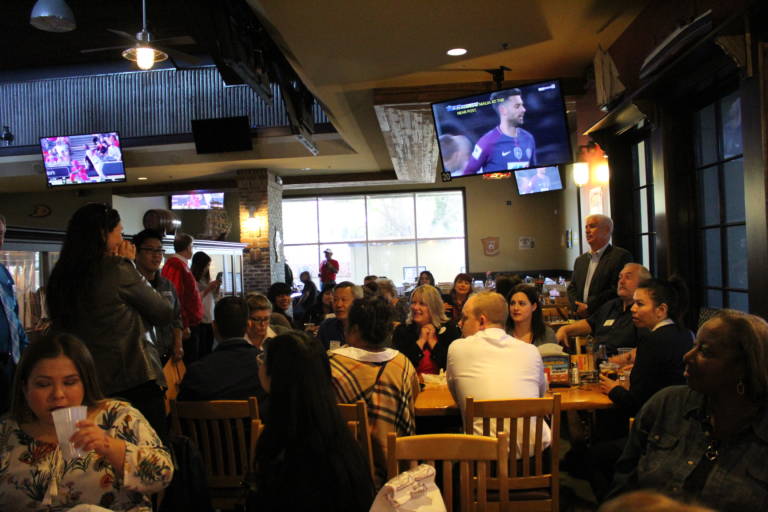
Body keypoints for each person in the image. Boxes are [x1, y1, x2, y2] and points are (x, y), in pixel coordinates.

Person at [609, 311, 768, 512]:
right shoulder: (666, 404)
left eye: (705, 351)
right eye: (694, 346)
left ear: (744, 368)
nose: (687, 356)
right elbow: (623, 487)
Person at [0, 332, 173, 511]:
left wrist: (110, 447)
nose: (58, 395)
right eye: (43, 385)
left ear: (85, 382)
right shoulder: (7, 431)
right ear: (24, 388)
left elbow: (163, 476)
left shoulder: (117, 417)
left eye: (70, 383)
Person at [46, 203, 174, 439]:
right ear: (103, 234)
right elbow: (164, 312)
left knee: (91, 458)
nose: (123, 239)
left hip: (83, 383)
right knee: (146, 457)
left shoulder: (60, 275)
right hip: (133, 380)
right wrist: (129, 266)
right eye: (119, 232)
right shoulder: (118, 269)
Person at [249, 331, 374, 511]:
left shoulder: (286, 450)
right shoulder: (339, 435)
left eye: (263, 359)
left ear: (277, 376)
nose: (260, 364)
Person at [329, 297, 420, 486]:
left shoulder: (329, 365)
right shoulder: (403, 364)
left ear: (353, 329)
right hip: (395, 470)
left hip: (344, 472)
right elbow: (414, 399)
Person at [446, 291, 550, 452]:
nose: (460, 323)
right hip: (535, 460)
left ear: (482, 321)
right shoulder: (531, 351)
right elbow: (540, 397)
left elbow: (457, 397)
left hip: (483, 462)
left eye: (465, 318)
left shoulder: (457, 348)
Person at [178, 297, 268, 414]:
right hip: (254, 431)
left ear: (214, 326)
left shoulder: (197, 371)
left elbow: (182, 415)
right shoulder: (264, 366)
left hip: (208, 432)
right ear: (248, 325)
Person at [556, 263, 651, 355]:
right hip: (598, 364)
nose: (621, 281)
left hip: (623, 367)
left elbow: (645, 350)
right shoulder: (610, 306)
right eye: (620, 277)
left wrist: (612, 362)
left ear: (643, 284)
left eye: (628, 277)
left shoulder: (644, 312)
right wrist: (565, 329)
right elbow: (589, 323)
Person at [132, 228, 184, 366]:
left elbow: (176, 317)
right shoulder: (130, 286)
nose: (156, 256)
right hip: (140, 359)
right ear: (136, 253)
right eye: (150, 250)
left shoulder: (167, 285)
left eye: (159, 250)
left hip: (167, 354)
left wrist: (178, 344)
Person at [567, 214, 633, 318]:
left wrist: (589, 307)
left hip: (607, 316)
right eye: (586, 227)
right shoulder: (580, 260)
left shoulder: (620, 257)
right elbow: (572, 288)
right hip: (581, 317)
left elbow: (616, 289)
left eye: (592, 226)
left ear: (607, 230)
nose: (587, 231)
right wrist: (577, 307)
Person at [462, 88, 537, 175]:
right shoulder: (486, 142)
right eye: (517, 106)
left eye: (522, 105)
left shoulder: (528, 138)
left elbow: (533, 171)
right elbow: (468, 173)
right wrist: (501, 179)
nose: (523, 109)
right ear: (503, 110)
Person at [393, 284, 461, 374]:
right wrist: (421, 341)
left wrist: (432, 342)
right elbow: (400, 366)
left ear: (434, 307)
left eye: (422, 304)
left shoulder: (449, 329)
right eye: (413, 302)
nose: (415, 307)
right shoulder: (402, 330)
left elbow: (453, 365)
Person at [0, 214, 30, 416]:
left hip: (12, 367)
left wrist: (27, 352)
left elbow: (14, 318)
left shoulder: (3, 272)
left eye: (1, 234)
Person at [161, 233, 204, 365]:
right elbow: (176, 296)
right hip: (187, 326)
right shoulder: (176, 265)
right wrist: (183, 325)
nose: (192, 249)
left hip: (190, 323)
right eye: (192, 246)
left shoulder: (181, 265)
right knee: (189, 364)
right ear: (187, 248)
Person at [191, 251, 221, 359]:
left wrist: (216, 288)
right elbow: (194, 299)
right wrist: (208, 289)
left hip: (210, 318)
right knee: (201, 351)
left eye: (208, 265)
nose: (207, 268)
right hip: (199, 320)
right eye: (206, 265)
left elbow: (214, 298)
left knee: (209, 349)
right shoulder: (192, 280)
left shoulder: (205, 279)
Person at [316, 282, 362, 350]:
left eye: (344, 300)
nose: (338, 305)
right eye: (335, 300)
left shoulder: (365, 327)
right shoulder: (326, 326)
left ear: (357, 302)